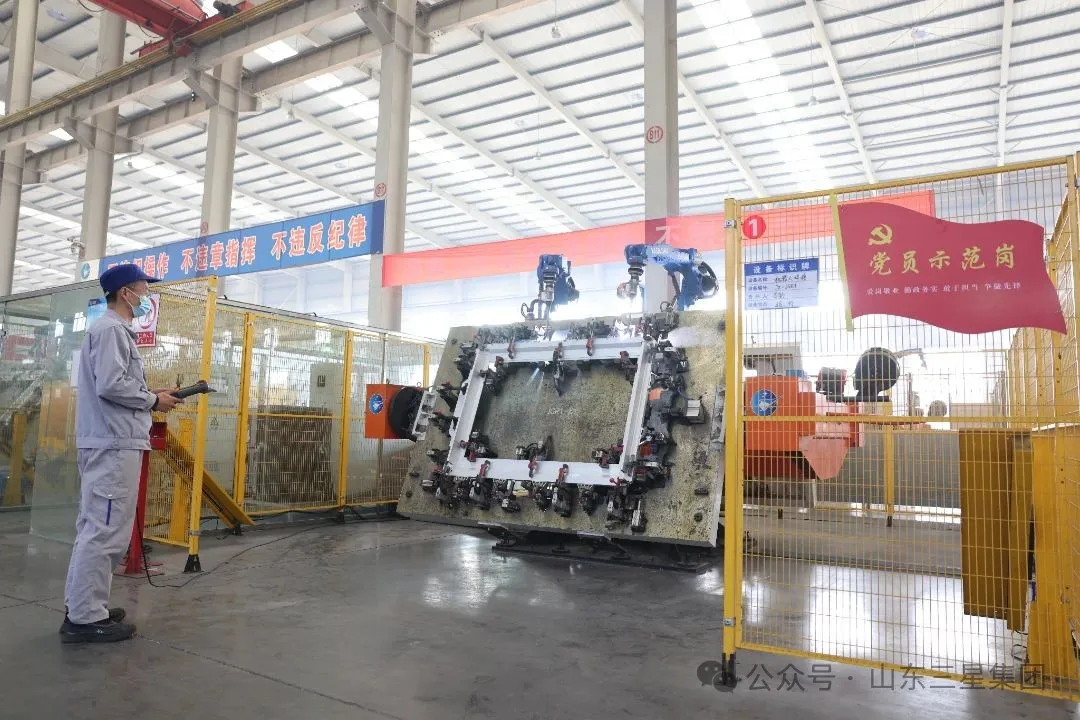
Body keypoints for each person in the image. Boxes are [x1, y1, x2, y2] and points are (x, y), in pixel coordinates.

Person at [60, 264, 184, 644]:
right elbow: (112, 385)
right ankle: (84, 618)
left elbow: (115, 383)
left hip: (110, 441)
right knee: (105, 531)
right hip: (113, 444)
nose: (147, 296)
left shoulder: (110, 330)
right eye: (143, 289)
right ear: (125, 292)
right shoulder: (112, 329)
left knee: (96, 527)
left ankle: (85, 606)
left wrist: (151, 395)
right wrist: (152, 401)